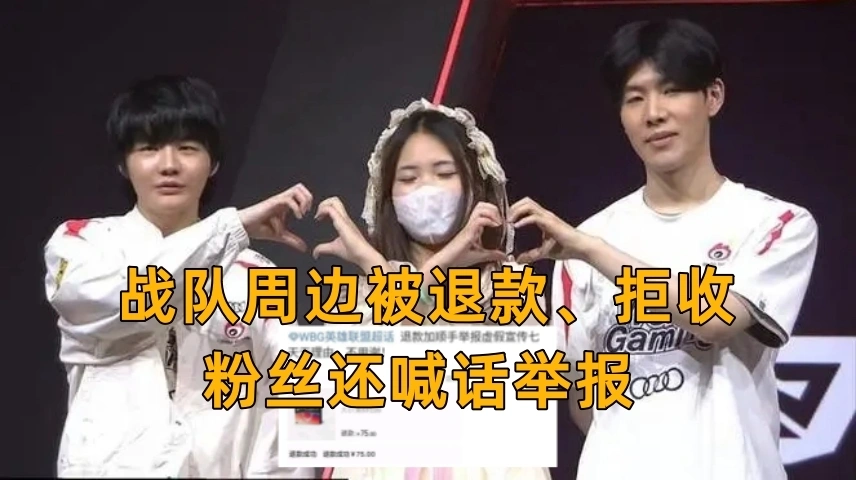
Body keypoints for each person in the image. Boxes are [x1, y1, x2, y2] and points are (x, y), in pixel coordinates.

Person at [508, 19, 819, 480]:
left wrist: (593, 252)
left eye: (671, 91)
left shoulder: (776, 224)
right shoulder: (588, 240)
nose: (653, 113)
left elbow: (714, 319)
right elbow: (582, 396)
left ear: (713, 96)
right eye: (635, 98)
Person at [43, 75, 315, 478]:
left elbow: (290, 402)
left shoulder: (254, 275)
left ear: (214, 162)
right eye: (149, 148)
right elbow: (125, 300)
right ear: (123, 163)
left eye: (187, 148)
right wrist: (231, 229)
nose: (169, 165)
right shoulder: (84, 245)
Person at [308, 98, 552, 480]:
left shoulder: (509, 287)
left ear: (474, 183)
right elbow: (328, 416)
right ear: (387, 195)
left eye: (444, 173)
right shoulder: (357, 297)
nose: (427, 189)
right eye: (409, 179)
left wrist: (378, 265)